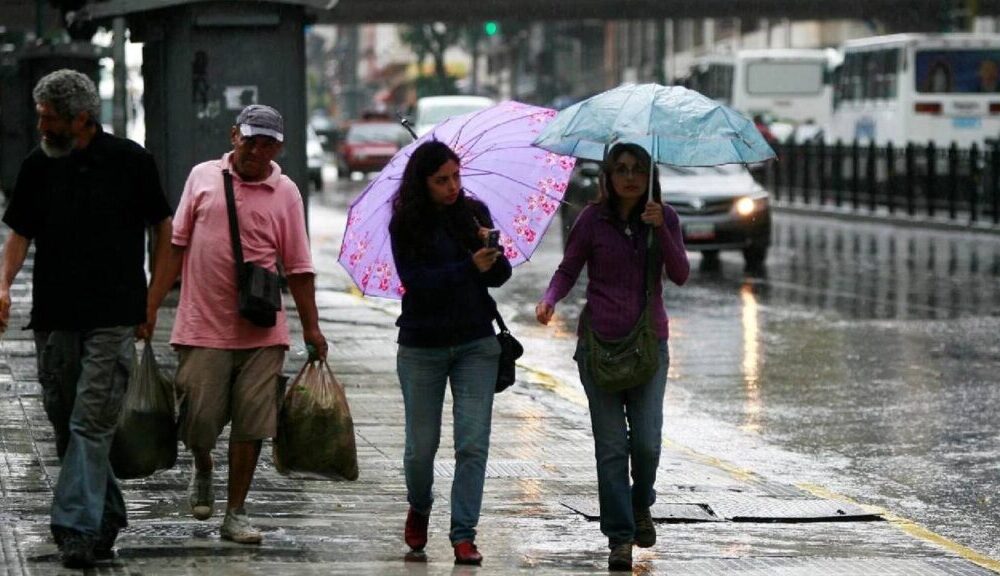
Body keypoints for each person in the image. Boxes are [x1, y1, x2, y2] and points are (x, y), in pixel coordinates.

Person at [0, 69, 173, 568]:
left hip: (113, 315)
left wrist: (154, 299)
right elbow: (18, 234)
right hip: (54, 318)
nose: (41, 125)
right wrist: (4, 283)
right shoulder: (38, 166)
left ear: (80, 119)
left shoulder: (130, 162)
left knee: (89, 422)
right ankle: (108, 513)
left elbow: (164, 232)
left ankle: (74, 528)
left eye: (48, 117)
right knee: (63, 422)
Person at [144, 104, 327, 545]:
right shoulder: (202, 178)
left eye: (268, 143)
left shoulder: (285, 192)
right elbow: (176, 245)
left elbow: (299, 267)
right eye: (251, 140)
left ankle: (236, 512)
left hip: (263, 330)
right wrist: (148, 307)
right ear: (233, 137)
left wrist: (312, 328)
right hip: (201, 326)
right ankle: (202, 464)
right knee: (199, 420)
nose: (257, 150)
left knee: (253, 422)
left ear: (278, 147)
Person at [535, 142, 689, 571]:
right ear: (607, 175)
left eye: (638, 169)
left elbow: (680, 274)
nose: (629, 177)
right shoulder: (591, 219)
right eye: (620, 169)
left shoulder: (665, 217)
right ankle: (619, 538)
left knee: (647, 442)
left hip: (648, 347)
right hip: (598, 348)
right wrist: (550, 299)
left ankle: (642, 503)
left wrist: (661, 231)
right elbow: (568, 268)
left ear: (650, 175)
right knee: (610, 449)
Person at [389, 141, 511, 566]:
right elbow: (416, 282)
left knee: (473, 444)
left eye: (457, 176)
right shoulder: (406, 222)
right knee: (421, 449)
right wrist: (467, 267)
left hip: (477, 344)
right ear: (423, 182)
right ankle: (420, 504)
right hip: (422, 346)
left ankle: (464, 535)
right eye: (442, 180)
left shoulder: (472, 214)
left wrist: (491, 250)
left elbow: (499, 276)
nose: (453, 186)